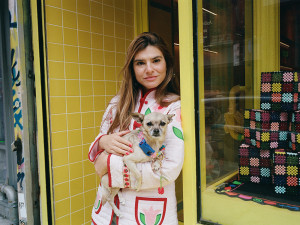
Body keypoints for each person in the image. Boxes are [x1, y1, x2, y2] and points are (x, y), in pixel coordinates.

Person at [88, 32, 184, 225]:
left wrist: (107, 165)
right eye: (140, 63)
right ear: (132, 68)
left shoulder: (174, 107)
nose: (149, 69)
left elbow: (169, 168)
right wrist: (103, 142)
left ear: (167, 64)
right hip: (105, 212)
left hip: (146, 213)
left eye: (156, 60)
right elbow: (99, 141)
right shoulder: (117, 103)